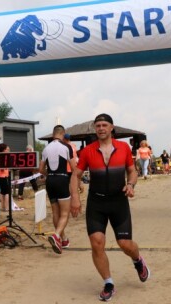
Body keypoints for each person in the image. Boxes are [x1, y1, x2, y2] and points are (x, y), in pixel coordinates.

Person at [70, 113, 150, 302]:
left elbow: (132, 171)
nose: (101, 128)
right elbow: (76, 175)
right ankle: (109, 283)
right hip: (96, 203)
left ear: (111, 128)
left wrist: (131, 185)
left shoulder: (122, 148)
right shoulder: (88, 151)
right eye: (98, 125)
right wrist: (75, 197)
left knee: (125, 245)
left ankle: (138, 260)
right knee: (97, 243)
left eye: (104, 125)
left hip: (118, 201)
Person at [39, 125, 77, 254]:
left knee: (56, 212)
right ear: (63, 133)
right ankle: (56, 236)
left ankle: (63, 239)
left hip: (50, 181)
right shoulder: (66, 147)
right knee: (65, 213)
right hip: (62, 179)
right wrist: (79, 183)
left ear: (53, 134)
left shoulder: (46, 148)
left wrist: (47, 175)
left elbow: (40, 169)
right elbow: (73, 167)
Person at [0, 143, 11, 211]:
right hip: (3, 176)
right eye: (6, 149)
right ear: (4, 149)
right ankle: (6, 207)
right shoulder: (3, 156)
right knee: (7, 192)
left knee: (2, 192)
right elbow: (2, 167)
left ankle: (3, 207)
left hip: (0, 176)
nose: (7, 150)